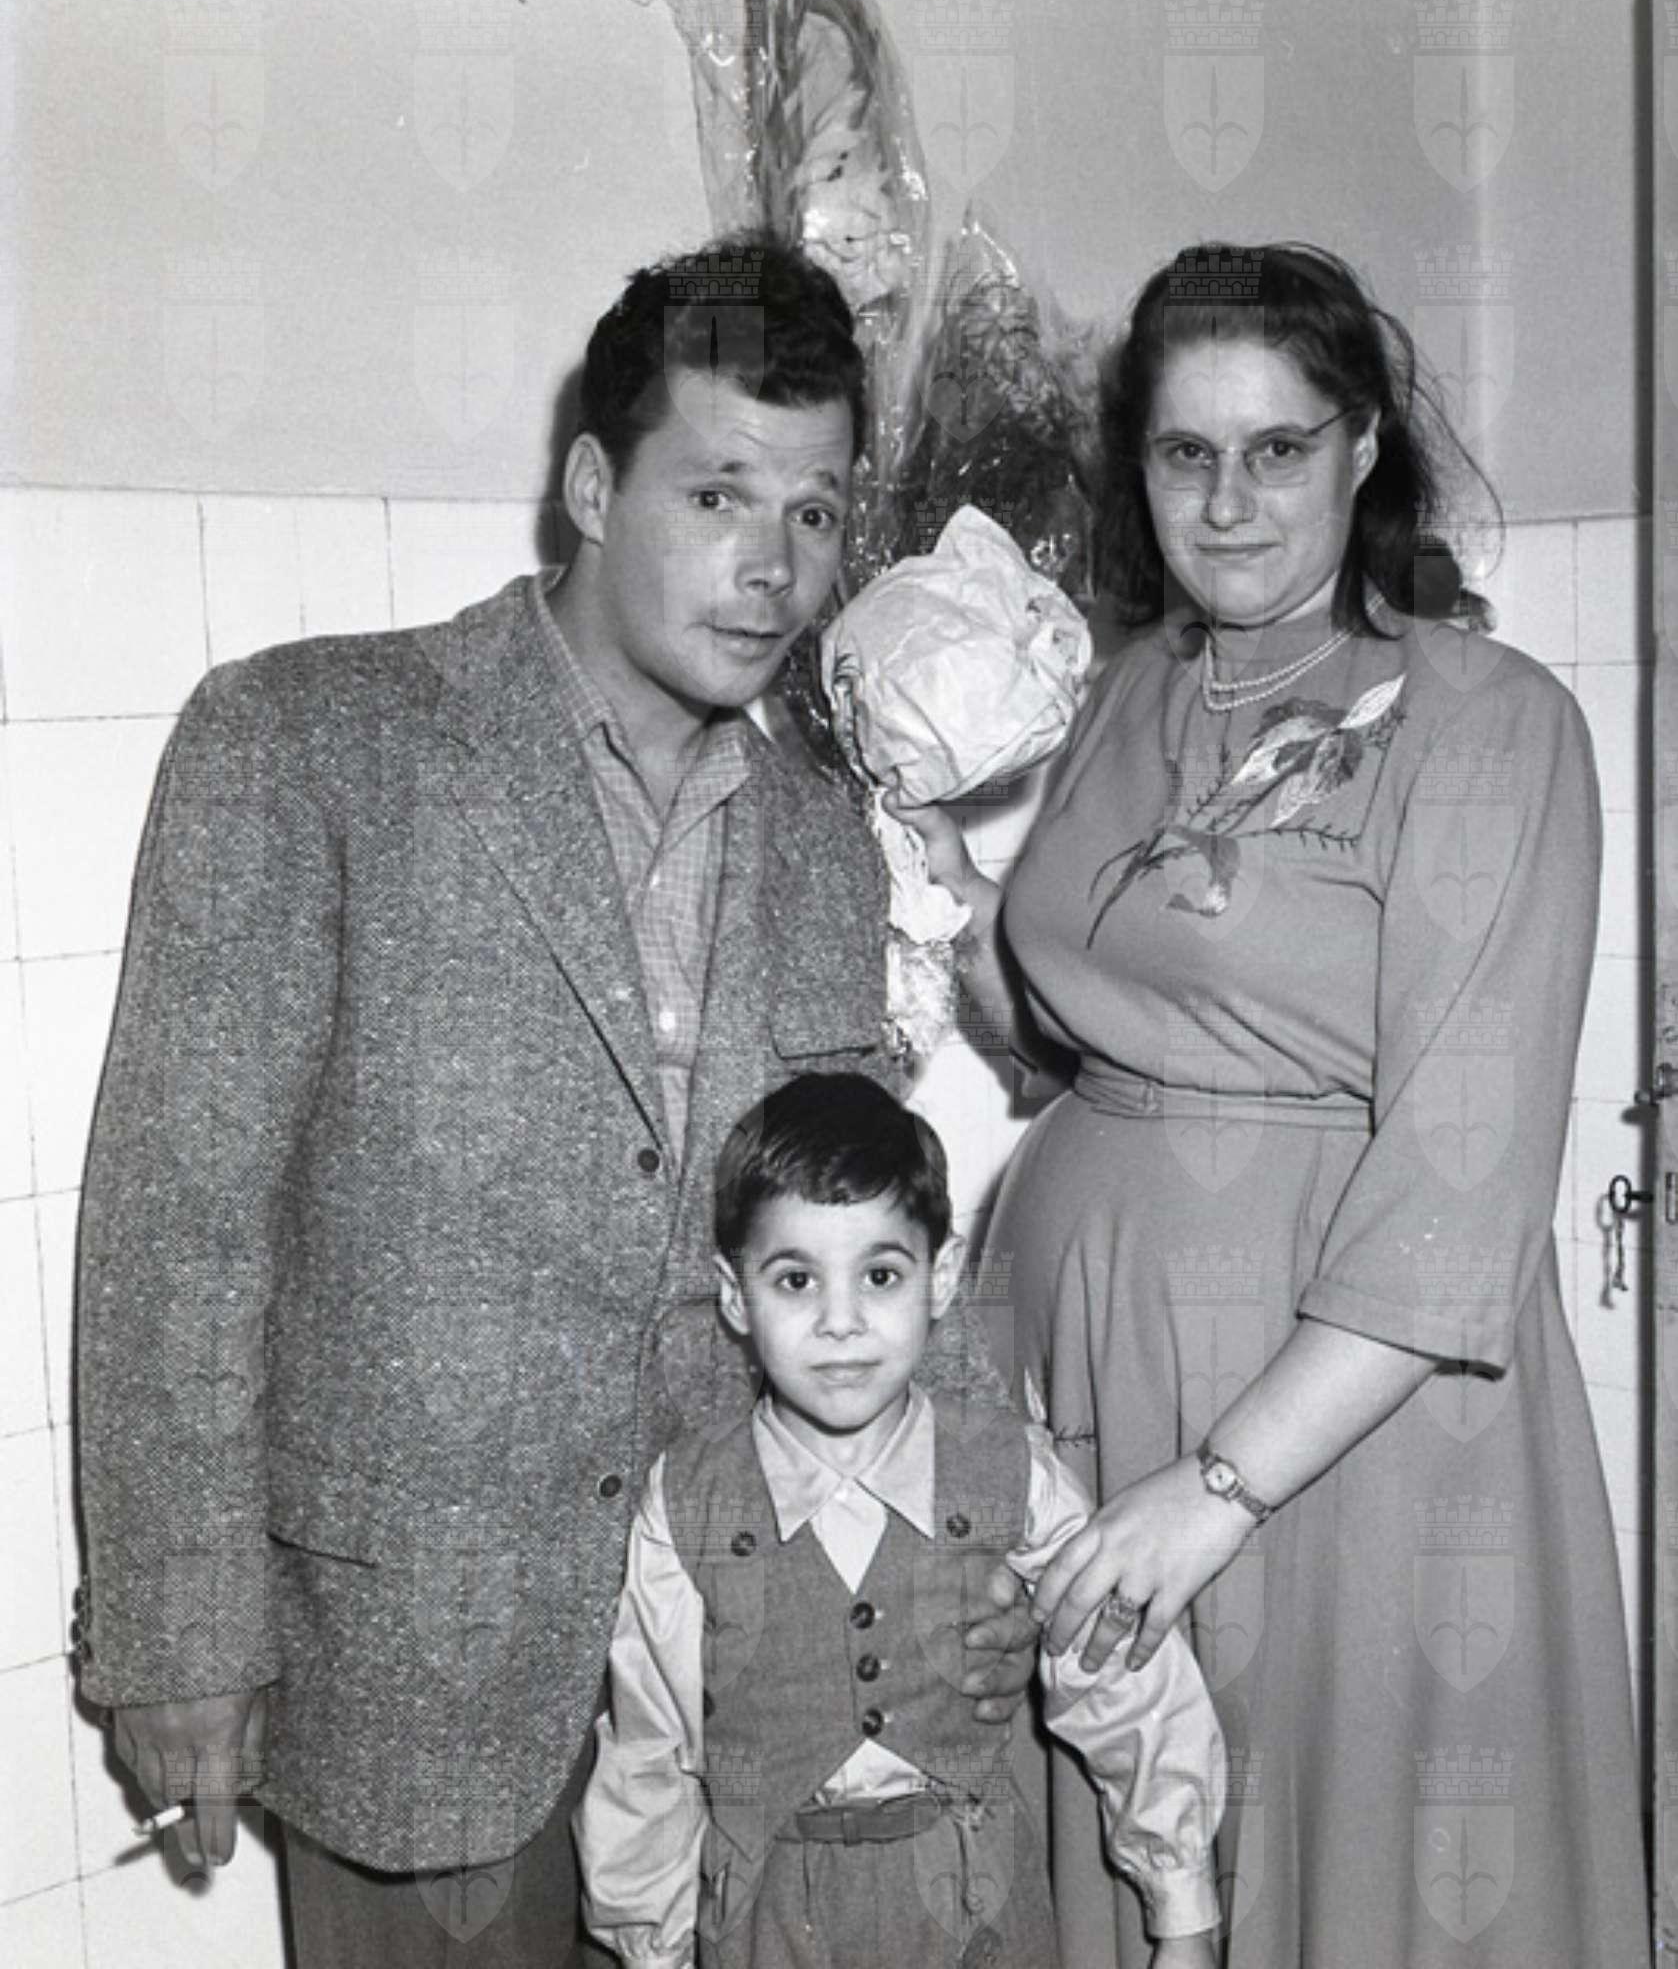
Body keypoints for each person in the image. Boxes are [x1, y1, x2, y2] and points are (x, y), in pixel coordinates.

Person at [73, 234, 1034, 1969]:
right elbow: (179, 1229)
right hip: (415, 1673)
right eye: (719, 495)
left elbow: (858, 1224)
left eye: (814, 514)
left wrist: (973, 1537)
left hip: (751, 1676)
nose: (772, 568)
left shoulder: (829, 835)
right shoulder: (310, 742)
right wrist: (176, 1638)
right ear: (592, 487)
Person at [909, 243, 1651, 1966]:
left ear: (1361, 446)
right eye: (1186, 453)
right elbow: (1074, 1037)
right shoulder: (1123, 693)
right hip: (1090, 1350)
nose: (1227, 501)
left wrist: (1218, 1487)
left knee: (1338, 1855)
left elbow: (1461, 1184)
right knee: (1140, 1846)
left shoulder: (1487, 723)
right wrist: (943, 885)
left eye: (1276, 449)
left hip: (1346, 1412)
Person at [577, 1072, 1225, 1969]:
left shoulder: (1010, 1469)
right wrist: (652, 1951)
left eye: (879, 1276)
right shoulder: (685, 1498)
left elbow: (1123, 1683)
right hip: (767, 1924)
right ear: (734, 1295)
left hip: (977, 1911)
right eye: (796, 1280)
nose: (840, 1322)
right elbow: (650, 1752)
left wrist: (1183, 1907)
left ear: (940, 1277)